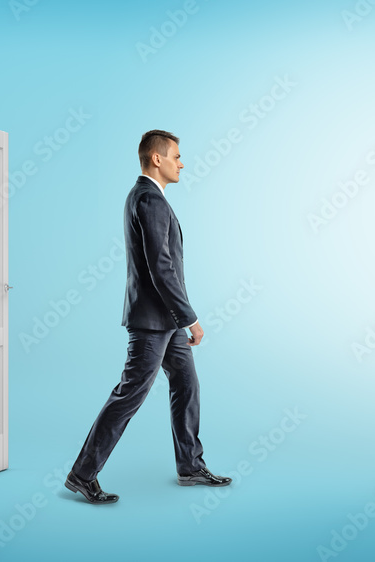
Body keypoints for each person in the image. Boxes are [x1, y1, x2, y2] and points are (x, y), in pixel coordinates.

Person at [65, 130, 231, 504]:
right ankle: (82, 474)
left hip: (165, 320)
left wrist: (179, 318)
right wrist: (191, 318)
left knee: (187, 385)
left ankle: (190, 466)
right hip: (154, 321)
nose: (182, 162)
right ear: (157, 159)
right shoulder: (149, 200)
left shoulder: (147, 197)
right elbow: (162, 268)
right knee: (129, 396)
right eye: (176, 155)